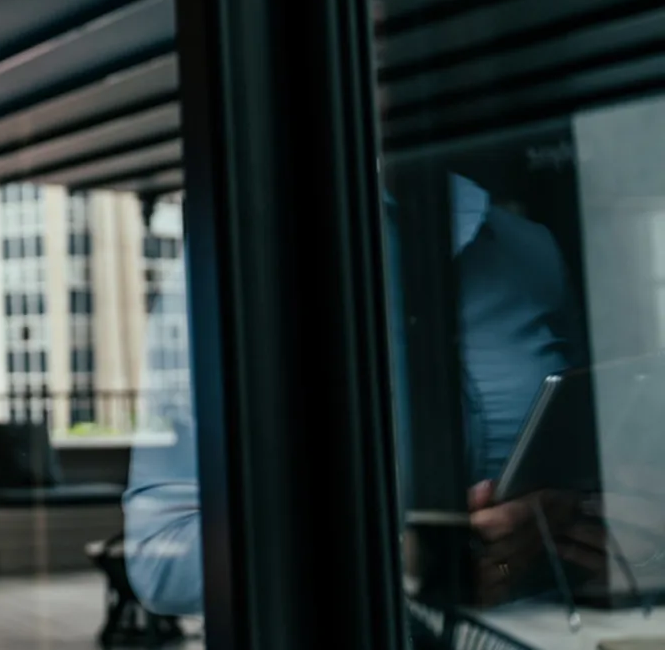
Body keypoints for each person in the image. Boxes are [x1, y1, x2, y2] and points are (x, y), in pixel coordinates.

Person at [124, 175, 583, 616]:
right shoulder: (239, 256)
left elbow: (601, 476)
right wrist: (385, 561)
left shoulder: (530, 249)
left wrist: (579, 524)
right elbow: (159, 562)